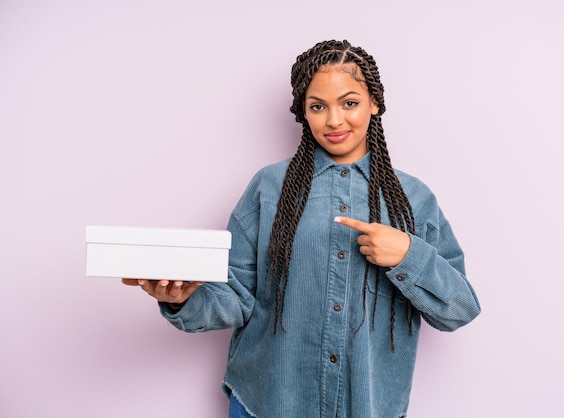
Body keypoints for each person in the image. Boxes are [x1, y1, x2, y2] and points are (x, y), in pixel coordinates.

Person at [123, 39, 481, 418]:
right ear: (303, 113)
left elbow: (458, 309)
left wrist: (408, 255)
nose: (334, 120)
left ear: (374, 103)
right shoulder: (269, 187)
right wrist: (181, 298)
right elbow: (236, 296)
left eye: (350, 103)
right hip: (269, 402)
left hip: (370, 408)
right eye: (317, 107)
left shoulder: (414, 199)